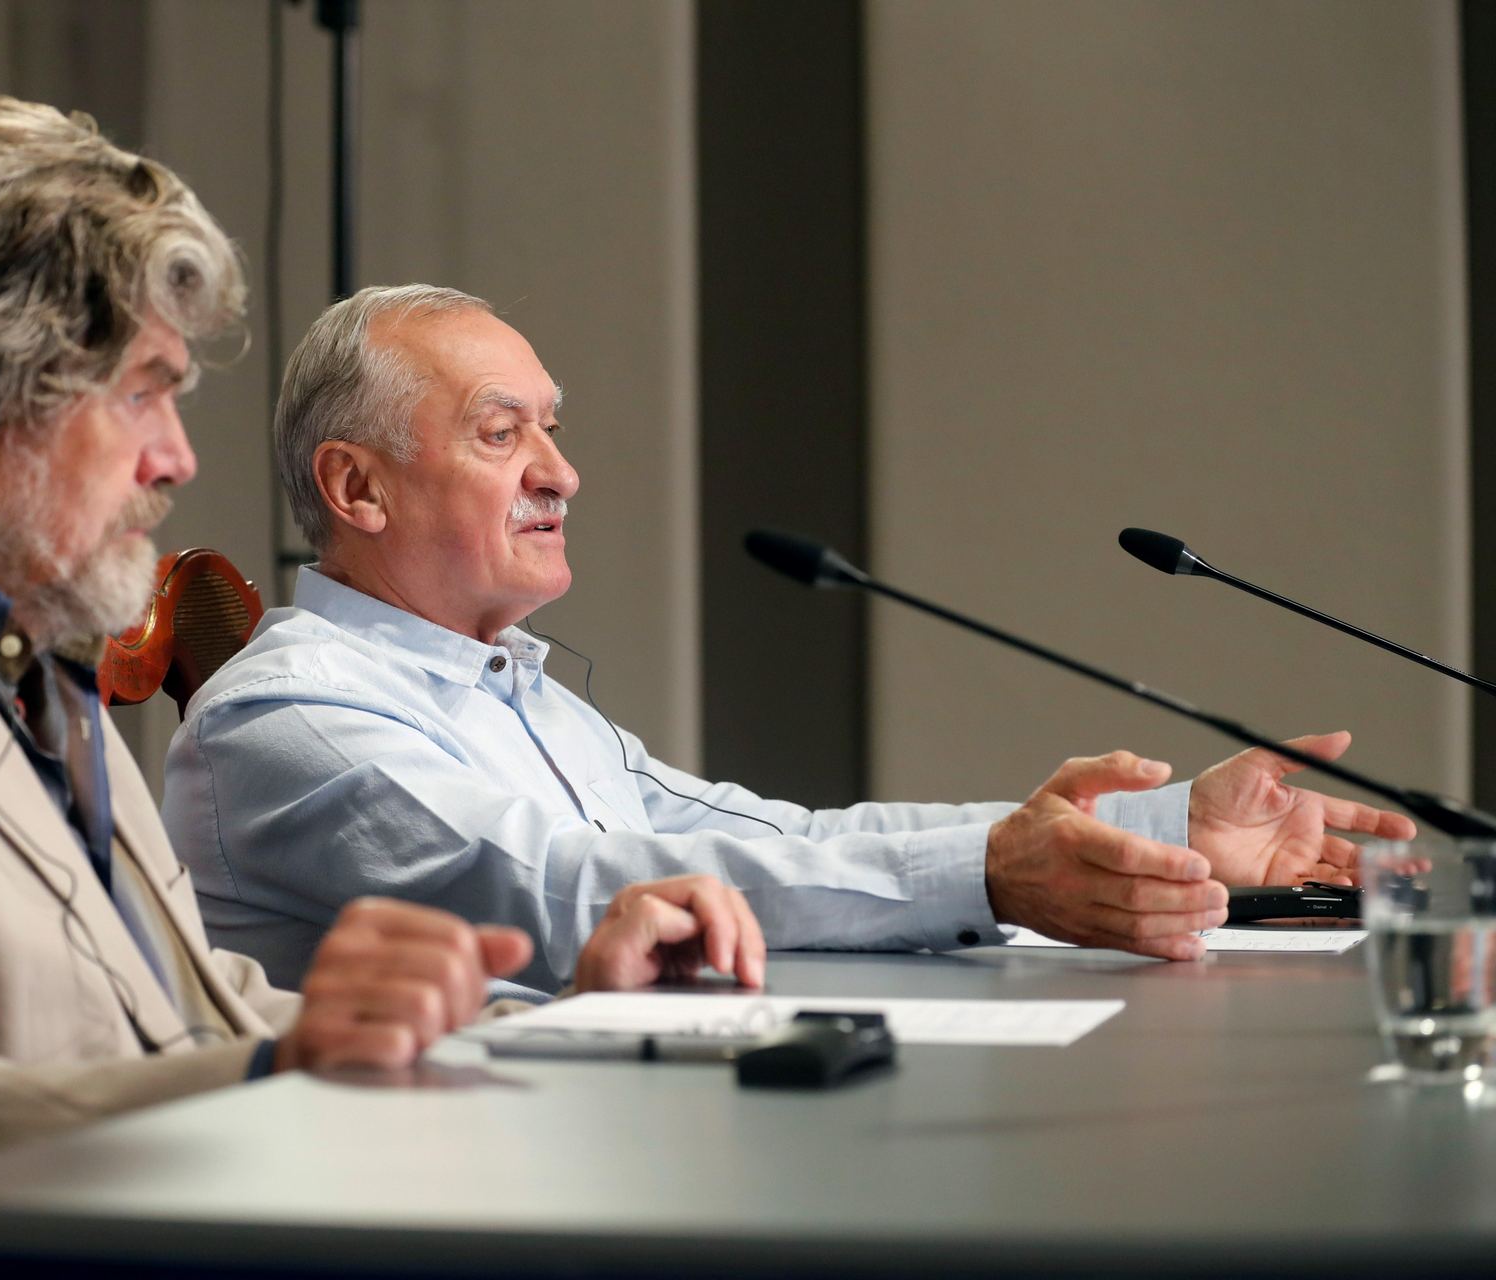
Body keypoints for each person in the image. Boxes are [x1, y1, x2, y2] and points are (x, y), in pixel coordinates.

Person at [0, 104, 762, 1237]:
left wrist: (558, 1027)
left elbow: (198, 1012)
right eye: (143, 388)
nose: (176, 457)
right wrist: (278, 1067)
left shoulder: (18, 657)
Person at [161, 283, 1415, 996]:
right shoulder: (292, 715)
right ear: (358, 489)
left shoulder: (521, 696)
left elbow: (772, 837)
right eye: (505, 435)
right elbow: (588, 891)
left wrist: (1148, 835)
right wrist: (992, 871)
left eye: (555, 429)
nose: (564, 472)